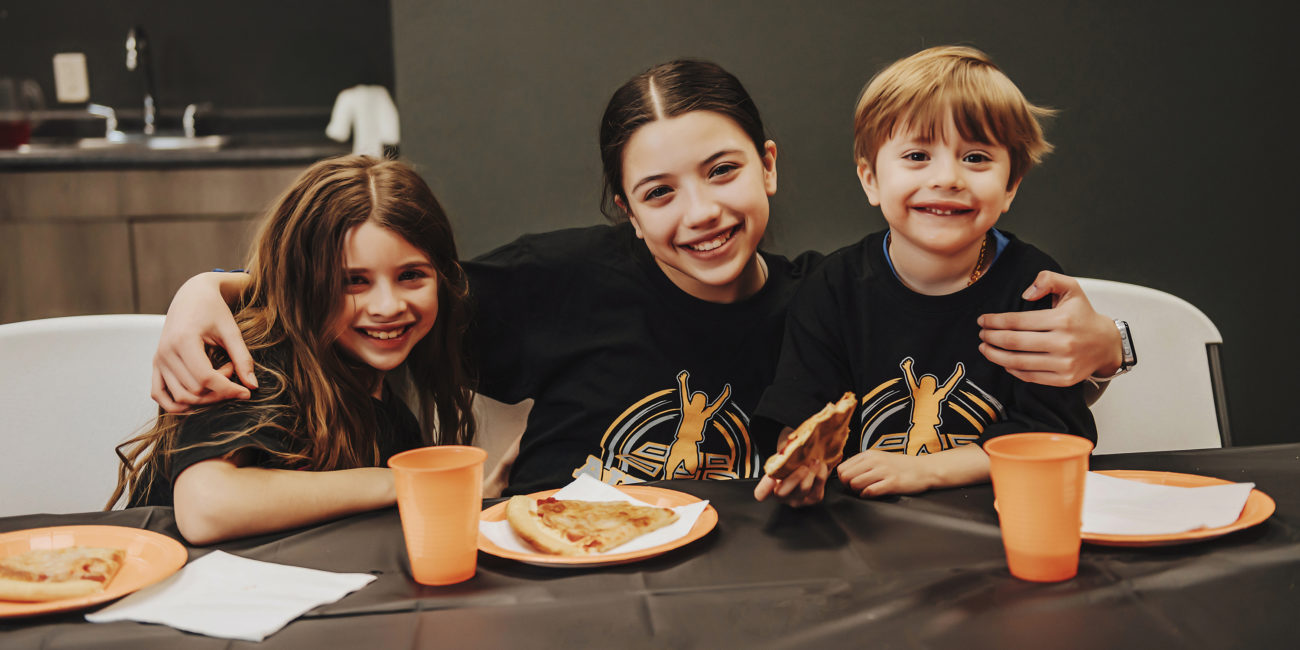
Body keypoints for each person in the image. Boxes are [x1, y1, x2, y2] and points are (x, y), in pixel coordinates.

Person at [148, 60, 1121, 503]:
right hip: (552, 579)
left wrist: (1111, 346)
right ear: (623, 206)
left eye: (723, 172)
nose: (699, 212)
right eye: (658, 191)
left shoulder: (825, 301)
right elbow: (379, 296)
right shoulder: (554, 279)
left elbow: (946, 310)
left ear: (769, 165)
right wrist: (212, 289)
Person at [754, 46, 1097, 506]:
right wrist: (800, 462)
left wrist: (925, 469)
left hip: (999, 521)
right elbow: (801, 414)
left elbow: (1053, 435)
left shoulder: (1034, 286)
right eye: (917, 155)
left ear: (1011, 186)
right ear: (871, 179)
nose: (947, 178)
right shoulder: (832, 288)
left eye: (976, 157)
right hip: (864, 526)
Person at [108, 155, 474, 544]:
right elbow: (207, 509)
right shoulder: (255, 359)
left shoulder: (391, 413)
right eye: (353, 281)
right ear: (304, 284)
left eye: (411, 275)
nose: (388, 306)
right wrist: (398, 481)